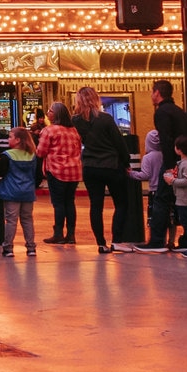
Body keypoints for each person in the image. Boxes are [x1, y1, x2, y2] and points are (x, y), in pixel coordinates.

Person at [73, 87, 133, 253]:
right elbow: (119, 142)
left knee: (96, 206)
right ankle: (117, 240)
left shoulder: (76, 120)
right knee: (121, 203)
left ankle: (101, 243)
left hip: (91, 166)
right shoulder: (105, 119)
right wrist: (126, 161)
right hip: (111, 165)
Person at [38, 103, 82, 243]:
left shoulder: (49, 130)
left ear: (56, 114)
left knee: (58, 203)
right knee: (70, 202)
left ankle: (58, 233)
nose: (47, 113)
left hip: (56, 170)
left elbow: (41, 152)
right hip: (74, 170)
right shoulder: (74, 130)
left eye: (50, 111)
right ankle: (71, 234)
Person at [0, 124, 40, 256]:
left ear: (17, 140)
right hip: (28, 192)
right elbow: (38, 175)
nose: (8, 139)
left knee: (11, 220)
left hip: (11, 192)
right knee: (27, 219)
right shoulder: (32, 155)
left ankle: (8, 247)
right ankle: (31, 247)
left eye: (10, 137)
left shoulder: (7, 155)